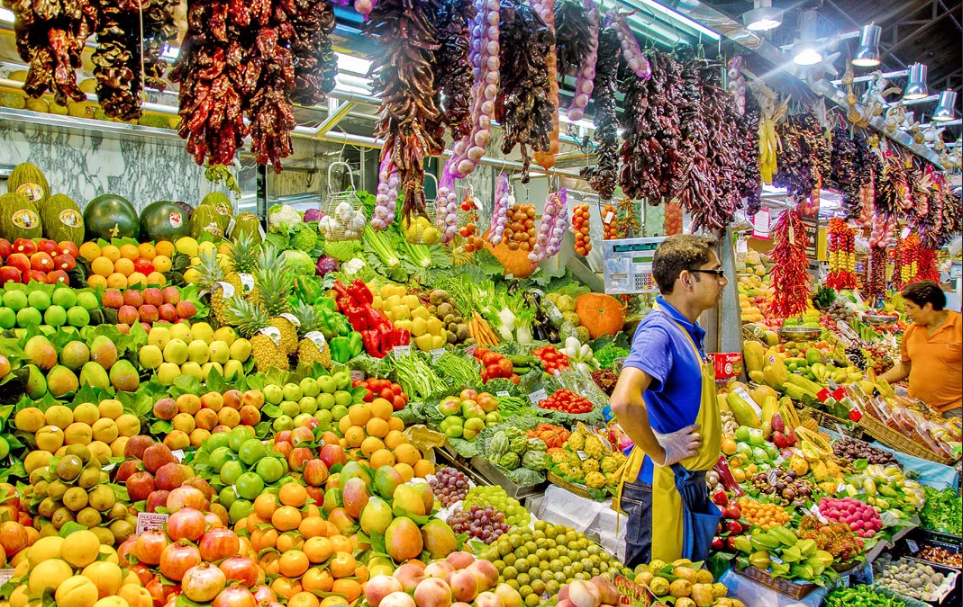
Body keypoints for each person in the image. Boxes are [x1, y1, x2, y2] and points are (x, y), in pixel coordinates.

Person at [610, 235, 726, 567]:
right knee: (655, 590)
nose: (723, 280)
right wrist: (661, 452)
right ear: (686, 279)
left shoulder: (685, 329)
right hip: (660, 489)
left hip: (683, 486)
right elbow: (623, 401)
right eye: (715, 272)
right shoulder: (658, 331)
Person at [879, 280, 962, 418]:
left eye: (911, 307)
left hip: (954, 410)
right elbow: (905, 367)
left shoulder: (959, 327)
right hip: (917, 409)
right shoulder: (911, 331)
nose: (908, 312)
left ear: (928, 306)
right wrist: (877, 381)